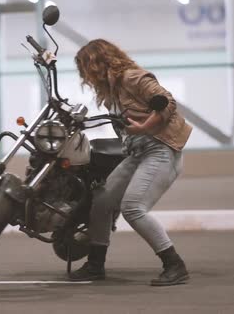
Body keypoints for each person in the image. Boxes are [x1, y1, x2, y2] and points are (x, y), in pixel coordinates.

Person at [69, 39, 193, 286]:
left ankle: (174, 264)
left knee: (133, 207)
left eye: (85, 68)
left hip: (160, 149)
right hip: (137, 153)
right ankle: (95, 264)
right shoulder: (111, 93)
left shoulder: (132, 78)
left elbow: (166, 101)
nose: (85, 76)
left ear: (97, 63)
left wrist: (144, 127)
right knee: (102, 201)